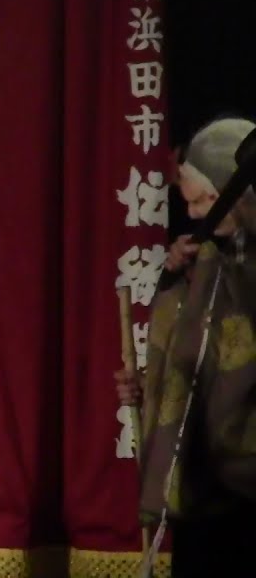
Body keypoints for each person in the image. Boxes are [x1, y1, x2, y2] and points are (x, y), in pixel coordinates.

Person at [115, 116, 256, 577]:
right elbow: (194, 364)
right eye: (189, 202)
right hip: (201, 487)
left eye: (203, 200)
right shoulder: (198, 268)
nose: (194, 215)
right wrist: (149, 386)